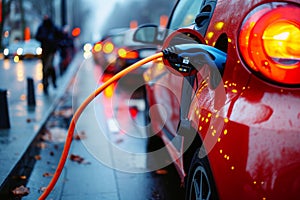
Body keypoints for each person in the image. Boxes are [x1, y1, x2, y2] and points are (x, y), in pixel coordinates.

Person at [36, 15, 62, 95]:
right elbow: (37, 36)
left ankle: (49, 82)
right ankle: (46, 84)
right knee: (46, 68)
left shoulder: (53, 28)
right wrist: (45, 38)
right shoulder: (41, 27)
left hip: (51, 51)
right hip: (44, 51)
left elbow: (59, 36)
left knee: (48, 67)